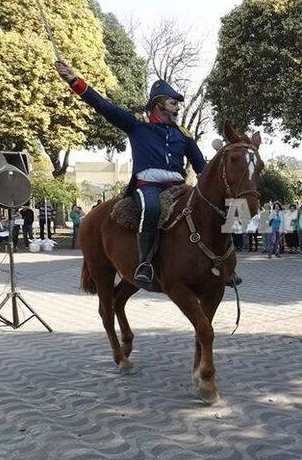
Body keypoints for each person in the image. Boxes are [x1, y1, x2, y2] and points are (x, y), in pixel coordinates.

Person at [56, 61, 206, 291]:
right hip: (148, 187)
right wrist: (75, 81)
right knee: (152, 208)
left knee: (206, 209)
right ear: (158, 106)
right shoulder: (137, 128)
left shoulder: (183, 138)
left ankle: (219, 264)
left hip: (178, 187)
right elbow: (103, 106)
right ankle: (145, 264)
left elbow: (202, 169)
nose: (178, 108)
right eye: (173, 102)